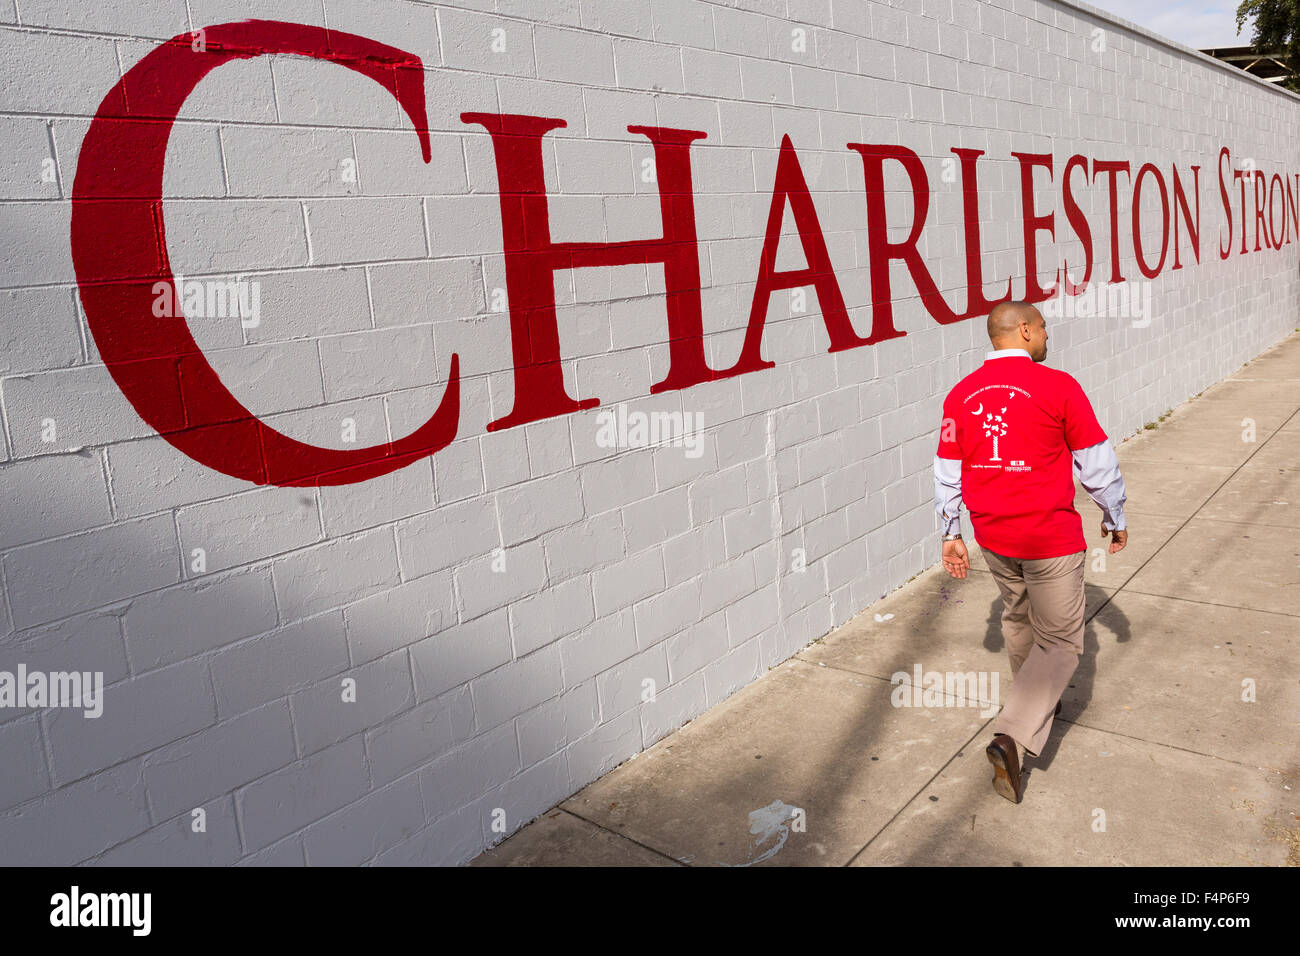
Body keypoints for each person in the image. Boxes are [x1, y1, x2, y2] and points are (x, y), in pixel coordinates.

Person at [933, 300, 1128, 803]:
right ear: (1024, 329)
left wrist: (950, 531)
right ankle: (1012, 735)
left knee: (1018, 622)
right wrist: (1114, 514)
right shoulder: (1058, 386)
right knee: (1062, 641)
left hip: (994, 538)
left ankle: (1037, 706)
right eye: (1042, 327)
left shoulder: (960, 395)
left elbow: (947, 470)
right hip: (1049, 539)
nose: (1047, 335)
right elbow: (1096, 461)